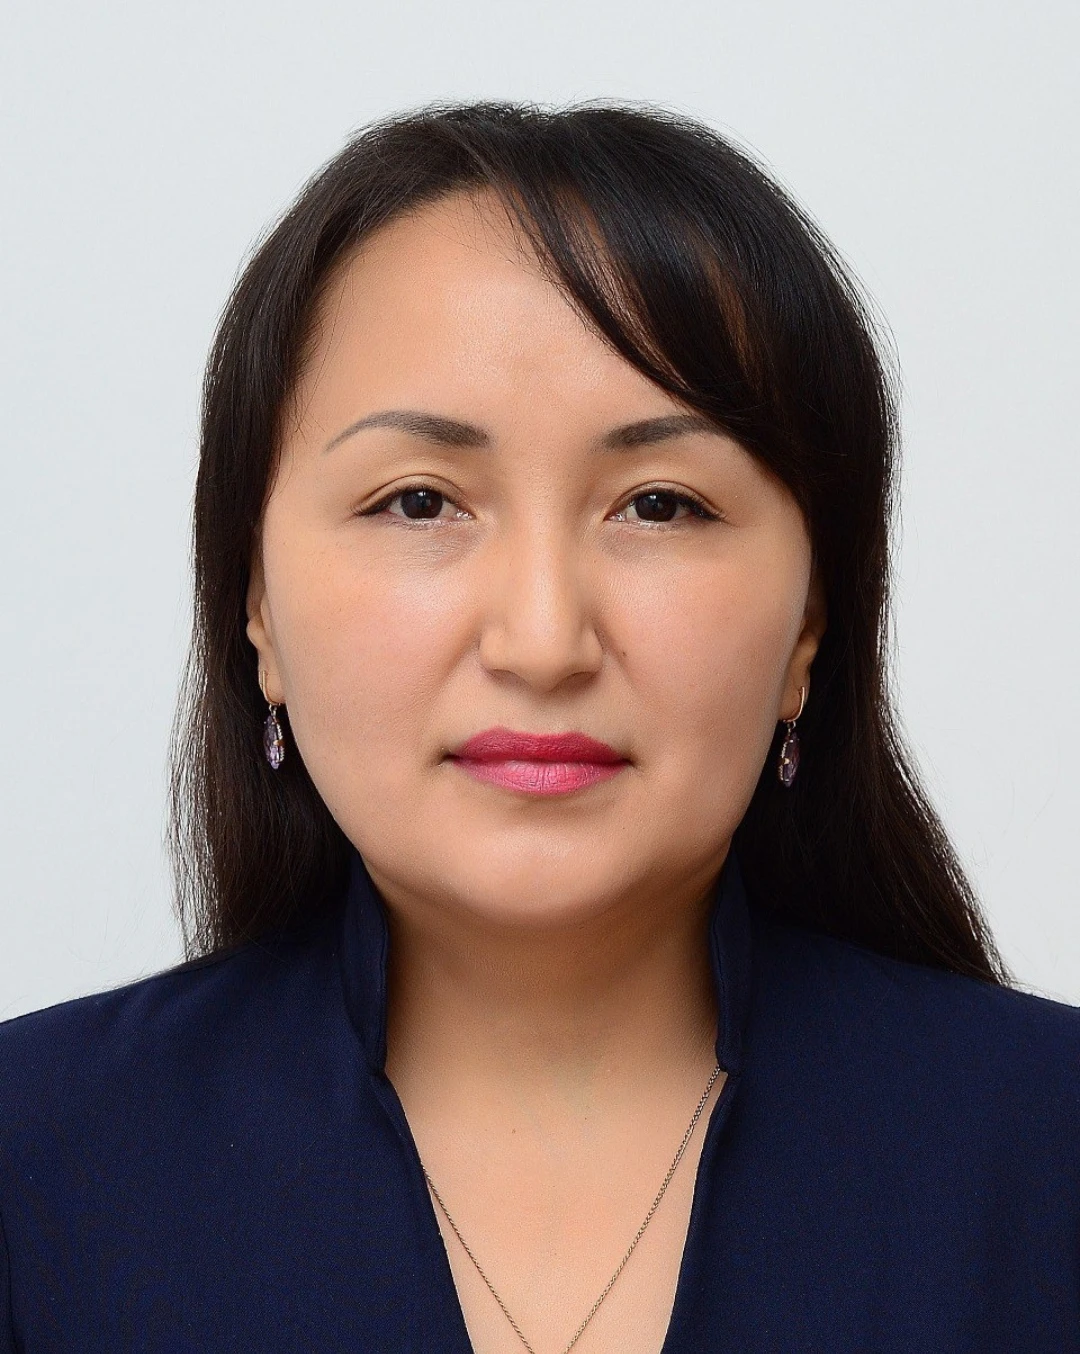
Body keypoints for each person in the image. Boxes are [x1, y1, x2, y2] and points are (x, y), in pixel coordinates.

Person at [0, 99, 1077, 1354]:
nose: (545, 639)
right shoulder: (37, 1168)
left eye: (659, 504)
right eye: (419, 501)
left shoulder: (1046, 1154)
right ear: (258, 611)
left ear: (808, 629)